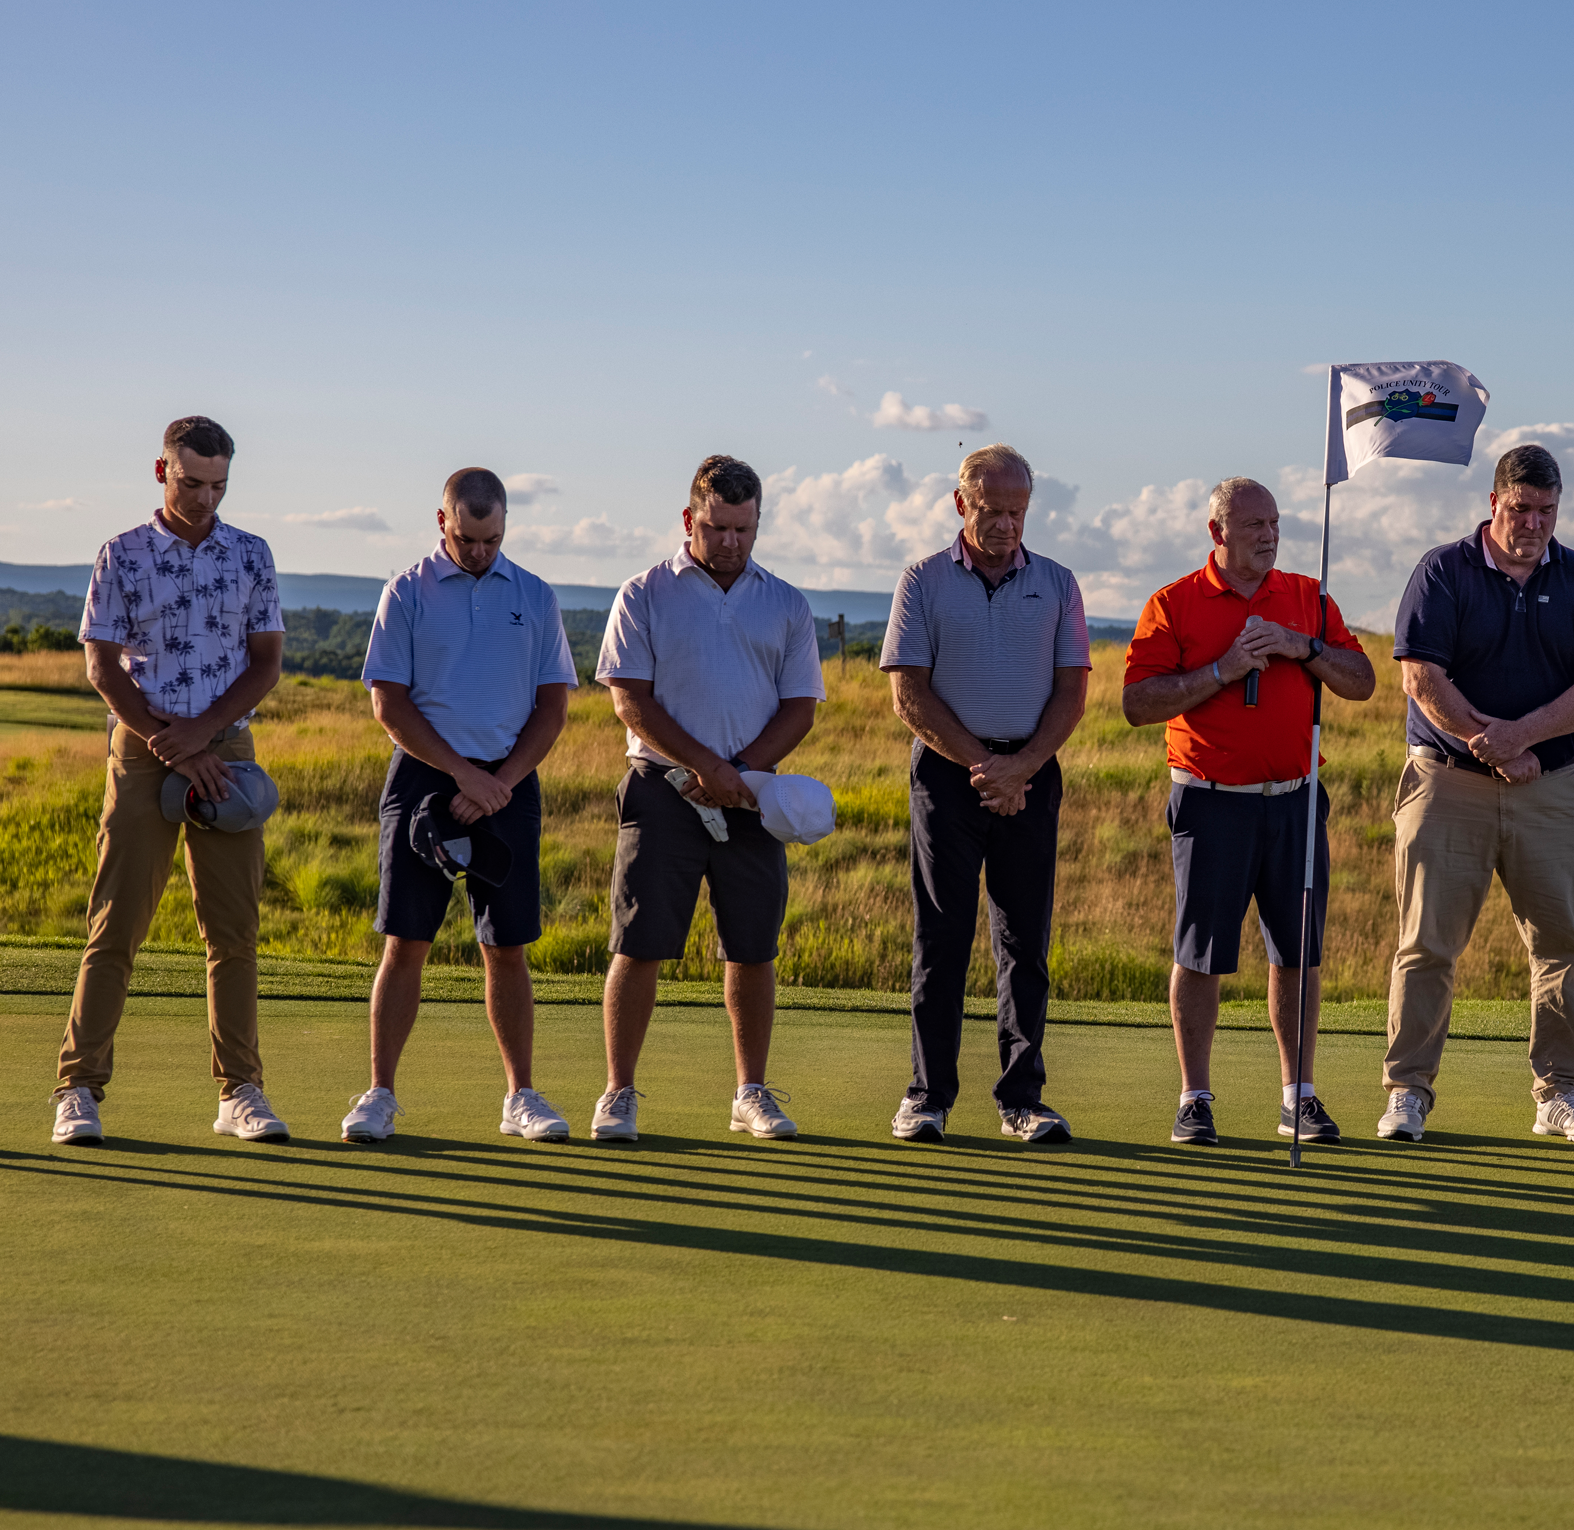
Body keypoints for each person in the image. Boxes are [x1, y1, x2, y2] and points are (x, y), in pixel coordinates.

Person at [48, 418, 286, 1146]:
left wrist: (205, 733)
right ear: (162, 471)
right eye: (191, 483)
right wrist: (173, 744)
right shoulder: (121, 553)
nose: (205, 498)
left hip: (226, 748)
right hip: (146, 746)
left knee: (233, 930)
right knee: (116, 922)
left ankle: (240, 1090)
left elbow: (266, 660)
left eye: (218, 485)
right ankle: (78, 1089)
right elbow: (101, 666)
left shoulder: (251, 553)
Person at [1382, 442, 1574, 1145]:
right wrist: (1485, 741)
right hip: (1447, 781)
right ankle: (1408, 1091)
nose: (1534, 524)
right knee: (1426, 943)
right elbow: (1420, 674)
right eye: (1521, 508)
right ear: (1493, 503)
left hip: (1551, 788)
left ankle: (1561, 1095)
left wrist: (1520, 738)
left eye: (1547, 510)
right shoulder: (1444, 569)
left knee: (1563, 947)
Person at [1121, 478, 1377, 1146]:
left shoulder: (1306, 598)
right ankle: (1195, 1097)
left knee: (1297, 952)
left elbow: (1362, 680)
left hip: (1293, 801)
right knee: (1201, 954)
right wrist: (1221, 671)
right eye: (1254, 524)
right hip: (1210, 803)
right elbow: (1139, 701)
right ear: (1218, 531)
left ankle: (1299, 1095)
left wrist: (1306, 647)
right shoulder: (1173, 604)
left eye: (1275, 522)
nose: (1269, 534)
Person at [592, 455, 823, 1146]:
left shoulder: (785, 602)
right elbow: (629, 697)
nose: (731, 542)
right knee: (640, 944)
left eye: (744, 529)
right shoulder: (644, 593)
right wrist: (704, 766)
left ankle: (750, 1090)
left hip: (753, 798)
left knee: (752, 948)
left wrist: (739, 772)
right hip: (662, 790)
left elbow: (800, 706)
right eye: (718, 527)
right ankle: (618, 1093)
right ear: (690, 519)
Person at [344, 469, 576, 1144]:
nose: (480, 551)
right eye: (468, 538)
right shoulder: (407, 591)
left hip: (509, 783)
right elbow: (389, 702)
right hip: (424, 782)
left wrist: (498, 780)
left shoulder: (534, 595)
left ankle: (521, 1097)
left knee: (507, 947)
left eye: (493, 538)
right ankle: (380, 1094)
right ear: (442, 521)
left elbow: (553, 705)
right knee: (405, 942)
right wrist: (461, 776)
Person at [880, 444, 1091, 1144]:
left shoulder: (1058, 582)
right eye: (993, 511)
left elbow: (1071, 692)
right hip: (948, 773)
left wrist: (1022, 766)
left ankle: (1023, 1099)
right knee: (941, 938)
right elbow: (908, 691)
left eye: (1018, 512)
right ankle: (927, 1096)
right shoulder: (924, 579)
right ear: (960, 503)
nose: (1006, 525)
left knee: (1024, 941)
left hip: (1031, 773)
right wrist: (982, 766)